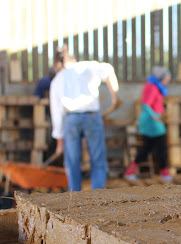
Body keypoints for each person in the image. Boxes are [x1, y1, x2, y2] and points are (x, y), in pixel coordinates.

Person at [49, 46, 120, 191]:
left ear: (58, 64)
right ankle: (98, 197)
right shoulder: (86, 66)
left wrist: (59, 141)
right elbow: (108, 69)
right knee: (97, 159)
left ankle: (74, 199)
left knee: (72, 162)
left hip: (71, 119)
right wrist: (115, 97)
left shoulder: (57, 79)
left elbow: (56, 113)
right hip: (91, 116)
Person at [124, 66, 172, 181]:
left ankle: (130, 171)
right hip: (152, 122)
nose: (167, 81)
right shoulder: (152, 87)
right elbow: (145, 105)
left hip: (150, 121)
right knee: (161, 147)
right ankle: (164, 173)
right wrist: (155, 115)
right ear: (161, 77)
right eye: (166, 78)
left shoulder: (154, 86)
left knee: (147, 148)